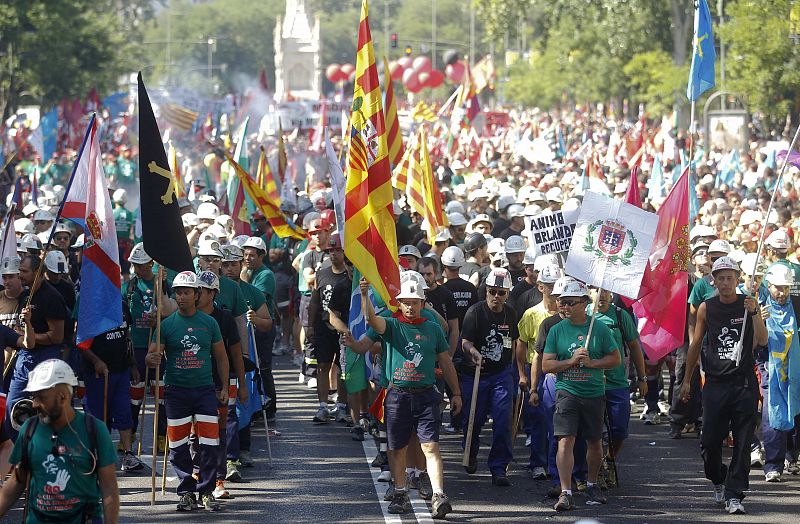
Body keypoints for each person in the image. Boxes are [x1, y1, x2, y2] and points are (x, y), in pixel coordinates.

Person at [344, 275, 461, 518]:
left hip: (427, 395)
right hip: (398, 395)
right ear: (399, 303)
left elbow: (446, 362)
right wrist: (365, 294)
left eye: (415, 302)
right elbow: (371, 320)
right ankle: (400, 492)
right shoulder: (392, 325)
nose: (410, 306)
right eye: (405, 302)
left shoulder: (433, 328)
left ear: (422, 303)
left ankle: (439, 494)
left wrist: (456, 392)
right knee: (397, 448)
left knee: (431, 446)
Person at [680, 256, 768, 515]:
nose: (726, 282)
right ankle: (719, 479)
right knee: (709, 441)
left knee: (742, 442)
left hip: (743, 384)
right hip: (716, 383)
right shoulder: (707, 307)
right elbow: (696, 344)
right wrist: (687, 380)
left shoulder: (748, 304)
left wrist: (754, 313)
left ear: (737, 279)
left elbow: (761, 340)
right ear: (714, 281)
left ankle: (734, 494)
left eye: (730, 278)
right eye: (721, 278)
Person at [145, 271, 229, 512]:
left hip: (204, 391)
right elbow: (152, 355)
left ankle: (206, 491)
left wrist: (223, 386)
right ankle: (186, 492)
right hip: (176, 392)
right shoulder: (167, 325)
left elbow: (222, 357)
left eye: (186, 292)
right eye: (178, 293)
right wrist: (152, 359)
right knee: (178, 444)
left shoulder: (209, 323)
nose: (181, 297)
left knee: (210, 443)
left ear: (197, 295)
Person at [0, 359, 119, 523]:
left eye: (41, 397)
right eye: (33, 397)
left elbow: (109, 487)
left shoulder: (95, 430)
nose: (34, 404)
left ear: (63, 397)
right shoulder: (29, 429)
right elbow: (16, 482)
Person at [542, 280, 620, 511]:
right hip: (568, 392)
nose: (564, 307)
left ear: (585, 303)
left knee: (594, 442)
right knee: (565, 440)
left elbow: (615, 359)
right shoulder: (556, 329)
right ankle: (566, 491)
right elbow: (547, 365)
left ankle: (592, 482)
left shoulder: (600, 328)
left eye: (569, 303)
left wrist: (593, 363)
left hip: (594, 393)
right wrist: (571, 361)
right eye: (561, 303)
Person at [460, 267, 519, 486]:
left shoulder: (511, 314)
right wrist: (473, 352)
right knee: (473, 420)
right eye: (492, 291)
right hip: (476, 373)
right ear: (486, 291)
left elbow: (514, 342)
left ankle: (499, 467)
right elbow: (465, 341)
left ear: (507, 294)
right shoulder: (475, 312)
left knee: (503, 420)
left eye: (501, 292)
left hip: (501, 374)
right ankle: (470, 451)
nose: (496, 296)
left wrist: (514, 371)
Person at [195, 270, 247, 499]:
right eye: (194, 290)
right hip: (194, 383)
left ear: (213, 293)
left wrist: (241, 385)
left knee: (220, 432)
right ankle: (197, 475)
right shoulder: (187, 315)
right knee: (195, 434)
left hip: (222, 383)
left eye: (201, 291)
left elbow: (236, 355)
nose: (196, 295)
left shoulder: (225, 318)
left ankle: (218, 480)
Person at [589, 287, 647, 487]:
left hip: (617, 383)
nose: (601, 294)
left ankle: (610, 460)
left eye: (605, 291)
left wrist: (643, 378)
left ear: (611, 294)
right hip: (589, 384)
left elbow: (634, 347)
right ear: (588, 293)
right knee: (591, 431)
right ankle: (592, 472)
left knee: (620, 430)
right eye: (596, 290)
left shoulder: (621, 316)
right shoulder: (583, 315)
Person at [6, 255, 67, 440]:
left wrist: (29, 335)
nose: (20, 275)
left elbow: (56, 336)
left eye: (24, 271)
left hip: (46, 359)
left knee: (45, 410)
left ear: (38, 273)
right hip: (25, 358)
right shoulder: (25, 294)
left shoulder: (52, 298)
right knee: (12, 406)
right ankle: (17, 453)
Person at [79, 300, 144, 473]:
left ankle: (128, 455)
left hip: (121, 369)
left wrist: (133, 364)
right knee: (97, 416)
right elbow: (80, 341)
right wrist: (96, 361)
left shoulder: (122, 305)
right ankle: (96, 455)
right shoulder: (90, 305)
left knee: (124, 412)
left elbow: (127, 336)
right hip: (98, 373)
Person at [123, 243, 176, 453]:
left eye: (143, 265)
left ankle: (162, 436)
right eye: (135, 265)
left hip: (160, 345)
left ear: (151, 264)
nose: (139, 269)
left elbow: (174, 310)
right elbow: (123, 314)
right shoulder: (129, 286)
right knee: (135, 393)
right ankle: (131, 432)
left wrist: (161, 316)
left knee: (161, 393)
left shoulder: (164, 283)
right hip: (137, 345)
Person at [516, 263, 561, 480]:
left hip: (560, 370)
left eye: (556, 285)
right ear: (540, 287)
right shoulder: (531, 314)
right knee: (538, 419)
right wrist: (523, 375)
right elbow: (522, 344)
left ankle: (557, 465)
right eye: (548, 285)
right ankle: (537, 463)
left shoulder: (567, 314)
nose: (552, 290)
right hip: (536, 369)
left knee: (559, 421)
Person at [758, 264, 800, 482]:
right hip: (769, 368)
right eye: (777, 288)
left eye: (785, 288)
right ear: (769, 285)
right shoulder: (760, 307)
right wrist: (759, 320)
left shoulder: (797, 306)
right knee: (772, 412)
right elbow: (755, 343)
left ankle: (792, 455)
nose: (781, 293)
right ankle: (773, 465)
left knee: (794, 409)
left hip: (794, 370)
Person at [308, 235, 351, 424]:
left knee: (343, 369)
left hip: (344, 328)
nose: (333, 254)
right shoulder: (322, 273)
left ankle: (341, 406)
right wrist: (309, 325)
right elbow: (314, 301)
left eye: (337, 250)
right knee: (322, 365)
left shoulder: (350, 275)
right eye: (330, 251)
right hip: (323, 326)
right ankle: (323, 407)